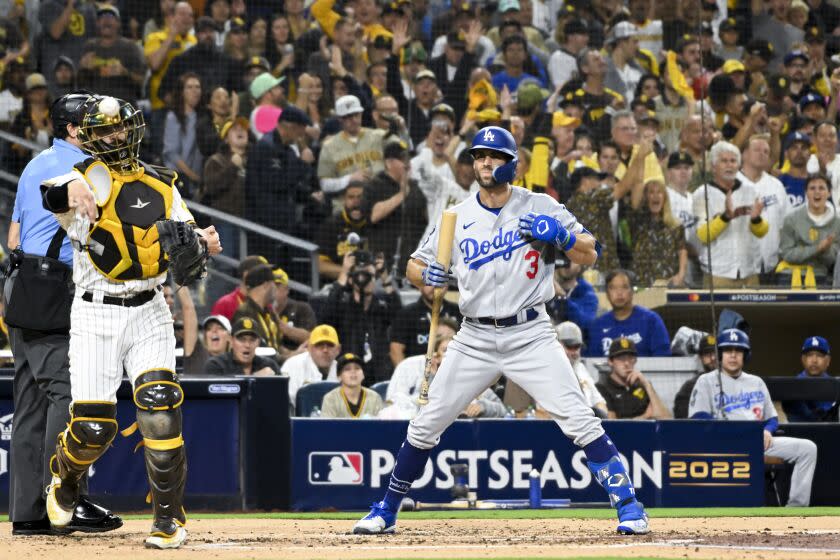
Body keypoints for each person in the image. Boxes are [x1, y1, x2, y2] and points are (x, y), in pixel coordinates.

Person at [353, 126, 649, 536]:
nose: (484, 162)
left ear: (512, 163)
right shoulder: (457, 215)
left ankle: (630, 507)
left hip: (530, 332)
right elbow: (413, 265)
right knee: (425, 423)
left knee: (580, 419)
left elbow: (590, 250)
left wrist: (561, 235)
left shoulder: (539, 204)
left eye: (493, 156)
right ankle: (386, 509)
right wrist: (428, 274)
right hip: (473, 335)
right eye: (478, 156)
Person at [39, 95, 222, 549]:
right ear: (88, 135)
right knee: (93, 428)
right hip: (95, 311)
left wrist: (201, 242)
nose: (117, 136)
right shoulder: (79, 178)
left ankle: (168, 519)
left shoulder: (162, 184)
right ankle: (64, 477)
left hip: (150, 308)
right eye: (105, 130)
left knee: (159, 405)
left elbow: (189, 237)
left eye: (122, 127)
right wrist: (71, 191)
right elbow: (52, 195)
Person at [5, 93, 121, 536]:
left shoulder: (36, 163)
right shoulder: (81, 170)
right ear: (74, 130)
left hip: (25, 285)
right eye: (97, 125)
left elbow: (14, 233)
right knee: (71, 395)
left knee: (31, 403)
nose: (108, 134)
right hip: (55, 288)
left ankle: (29, 513)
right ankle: (66, 501)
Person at [689, 329, 818, 507]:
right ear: (720, 354)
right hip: (723, 444)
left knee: (808, 449)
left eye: (738, 350)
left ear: (745, 355)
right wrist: (722, 430)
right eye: (728, 350)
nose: (733, 355)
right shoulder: (706, 381)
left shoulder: (756, 382)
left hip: (756, 442)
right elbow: (698, 417)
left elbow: (772, 417)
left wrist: (767, 430)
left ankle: (795, 508)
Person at [693, 141, 769, 288]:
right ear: (713, 167)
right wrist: (726, 217)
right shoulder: (702, 194)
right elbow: (703, 235)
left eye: (733, 161)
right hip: (717, 273)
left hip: (749, 271)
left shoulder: (751, 190)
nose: (729, 165)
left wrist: (756, 219)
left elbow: (762, 232)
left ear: (739, 165)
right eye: (724, 161)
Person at [585, 269, 671, 357]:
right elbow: (593, 363)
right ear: (607, 293)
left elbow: (663, 359)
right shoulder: (598, 326)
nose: (619, 293)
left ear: (632, 291)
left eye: (624, 287)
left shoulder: (651, 321)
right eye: (613, 288)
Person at [778, 174, 840, 287]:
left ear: (829, 193)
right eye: (812, 188)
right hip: (789, 277)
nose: (817, 192)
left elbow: (832, 260)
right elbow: (787, 254)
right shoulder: (791, 219)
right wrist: (817, 249)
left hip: (820, 277)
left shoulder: (837, 223)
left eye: (821, 188)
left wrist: (825, 250)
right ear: (806, 192)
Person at [596, 338, 672, 420]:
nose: (627, 363)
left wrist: (647, 385)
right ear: (610, 361)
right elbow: (611, 424)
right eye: (621, 359)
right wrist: (645, 417)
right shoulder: (602, 387)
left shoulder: (642, 384)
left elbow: (666, 418)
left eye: (630, 358)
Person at [389, 287, 460, 366]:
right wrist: (406, 375)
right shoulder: (406, 314)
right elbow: (396, 351)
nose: (435, 287)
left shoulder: (458, 311)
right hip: (418, 372)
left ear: (447, 285)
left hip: (454, 370)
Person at [281, 324, 341, 412]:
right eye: (319, 345)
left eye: (330, 345)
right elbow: (287, 405)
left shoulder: (343, 370)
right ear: (309, 348)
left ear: (338, 349)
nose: (325, 350)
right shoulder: (292, 365)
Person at [231, 263, 283, 359]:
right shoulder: (244, 314)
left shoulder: (270, 314)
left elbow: (277, 347)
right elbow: (253, 353)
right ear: (266, 286)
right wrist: (290, 357)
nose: (276, 289)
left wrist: (297, 353)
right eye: (274, 284)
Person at [783, 336, 837, 422]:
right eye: (810, 355)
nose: (814, 360)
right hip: (801, 435)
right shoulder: (792, 387)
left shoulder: (836, 386)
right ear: (803, 359)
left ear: (828, 360)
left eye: (819, 355)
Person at [205, 317, 282, 376]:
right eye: (242, 340)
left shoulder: (269, 365)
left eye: (252, 340)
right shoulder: (216, 365)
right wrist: (255, 378)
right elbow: (222, 391)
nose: (247, 345)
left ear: (258, 342)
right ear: (231, 340)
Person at [321, 353, 384, 418]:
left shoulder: (375, 398)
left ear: (363, 374)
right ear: (339, 376)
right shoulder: (330, 399)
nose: (353, 372)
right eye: (347, 369)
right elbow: (327, 427)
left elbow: (381, 427)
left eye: (357, 368)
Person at [672, 334, 718, 419]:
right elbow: (682, 421)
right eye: (707, 354)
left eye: (715, 353)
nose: (713, 358)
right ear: (701, 358)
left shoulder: (733, 382)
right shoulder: (689, 387)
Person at [210, 255, 269, 320]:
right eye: (261, 274)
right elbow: (213, 329)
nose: (264, 278)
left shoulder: (266, 304)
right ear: (246, 274)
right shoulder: (224, 304)